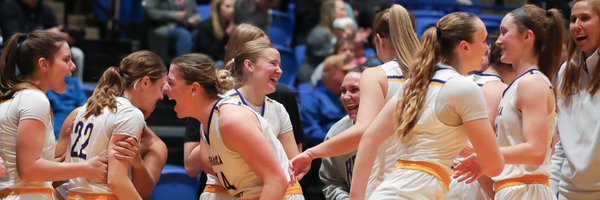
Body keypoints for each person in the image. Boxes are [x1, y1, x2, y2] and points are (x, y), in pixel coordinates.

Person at [350, 12, 505, 199]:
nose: (487, 48)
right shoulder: (465, 88)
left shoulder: (415, 84)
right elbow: (495, 165)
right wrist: (481, 160)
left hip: (389, 189)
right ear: (465, 47)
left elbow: (368, 139)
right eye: (483, 40)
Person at [290, 5, 420, 198]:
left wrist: (311, 153)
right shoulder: (432, 75)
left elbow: (364, 133)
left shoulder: (376, 75)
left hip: (389, 185)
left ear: (378, 40)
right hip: (432, 182)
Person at [457, 4, 565, 199]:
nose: (498, 41)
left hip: (528, 191)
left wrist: (486, 156)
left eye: (504, 32)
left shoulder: (533, 82)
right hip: (513, 190)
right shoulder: (517, 85)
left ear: (527, 37)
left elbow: (536, 151)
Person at [165, 53, 290, 199]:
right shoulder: (207, 122)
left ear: (194, 89)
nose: (165, 89)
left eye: (171, 83)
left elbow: (276, 180)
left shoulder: (231, 119)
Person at [0, 31, 107, 199]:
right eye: (66, 60)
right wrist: (86, 168)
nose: (73, 66)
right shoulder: (34, 99)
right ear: (43, 64)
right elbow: (28, 169)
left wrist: (65, 163)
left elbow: (22, 168)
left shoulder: (16, 95)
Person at [64, 50, 167, 200]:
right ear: (145, 82)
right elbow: (116, 180)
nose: (160, 96)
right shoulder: (130, 113)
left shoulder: (86, 109)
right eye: (160, 88)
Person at [448, 41, 514, 200]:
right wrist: (495, 194)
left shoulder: (461, 81)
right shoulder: (499, 90)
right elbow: (482, 153)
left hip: (446, 176)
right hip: (471, 181)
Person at [551, 0, 600, 198]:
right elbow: (564, 142)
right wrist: (552, 187)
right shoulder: (566, 72)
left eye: (585, 18)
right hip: (566, 192)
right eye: (573, 19)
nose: (576, 25)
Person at [319, 66, 365, 200]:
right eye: (343, 91)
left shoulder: (394, 126)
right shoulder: (336, 133)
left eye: (354, 90)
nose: (346, 97)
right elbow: (331, 182)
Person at [300, 54, 355, 148]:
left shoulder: (346, 95)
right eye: (345, 72)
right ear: (333, 73)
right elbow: (310, 130)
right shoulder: (310, 95)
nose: (349, 75)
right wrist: (338, 142)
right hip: (326, 149)